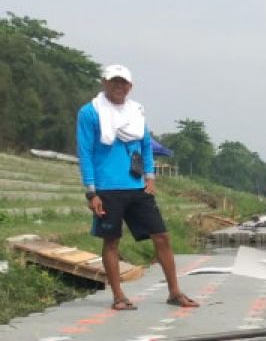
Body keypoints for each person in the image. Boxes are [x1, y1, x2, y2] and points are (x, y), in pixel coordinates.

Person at [76, 64, 197, 310]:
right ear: (104, 82)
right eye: (114, 82)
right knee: (111, 240)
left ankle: (175, 291)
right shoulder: (91, 113)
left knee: (161, 236)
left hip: (136, 185)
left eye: (123, 83)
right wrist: (91, 191)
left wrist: (150, 178)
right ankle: (119, 296)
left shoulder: (136, 113)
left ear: (130, 86)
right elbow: (85, 152)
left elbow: (145, 147)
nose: (119, 87)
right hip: (107, 188)